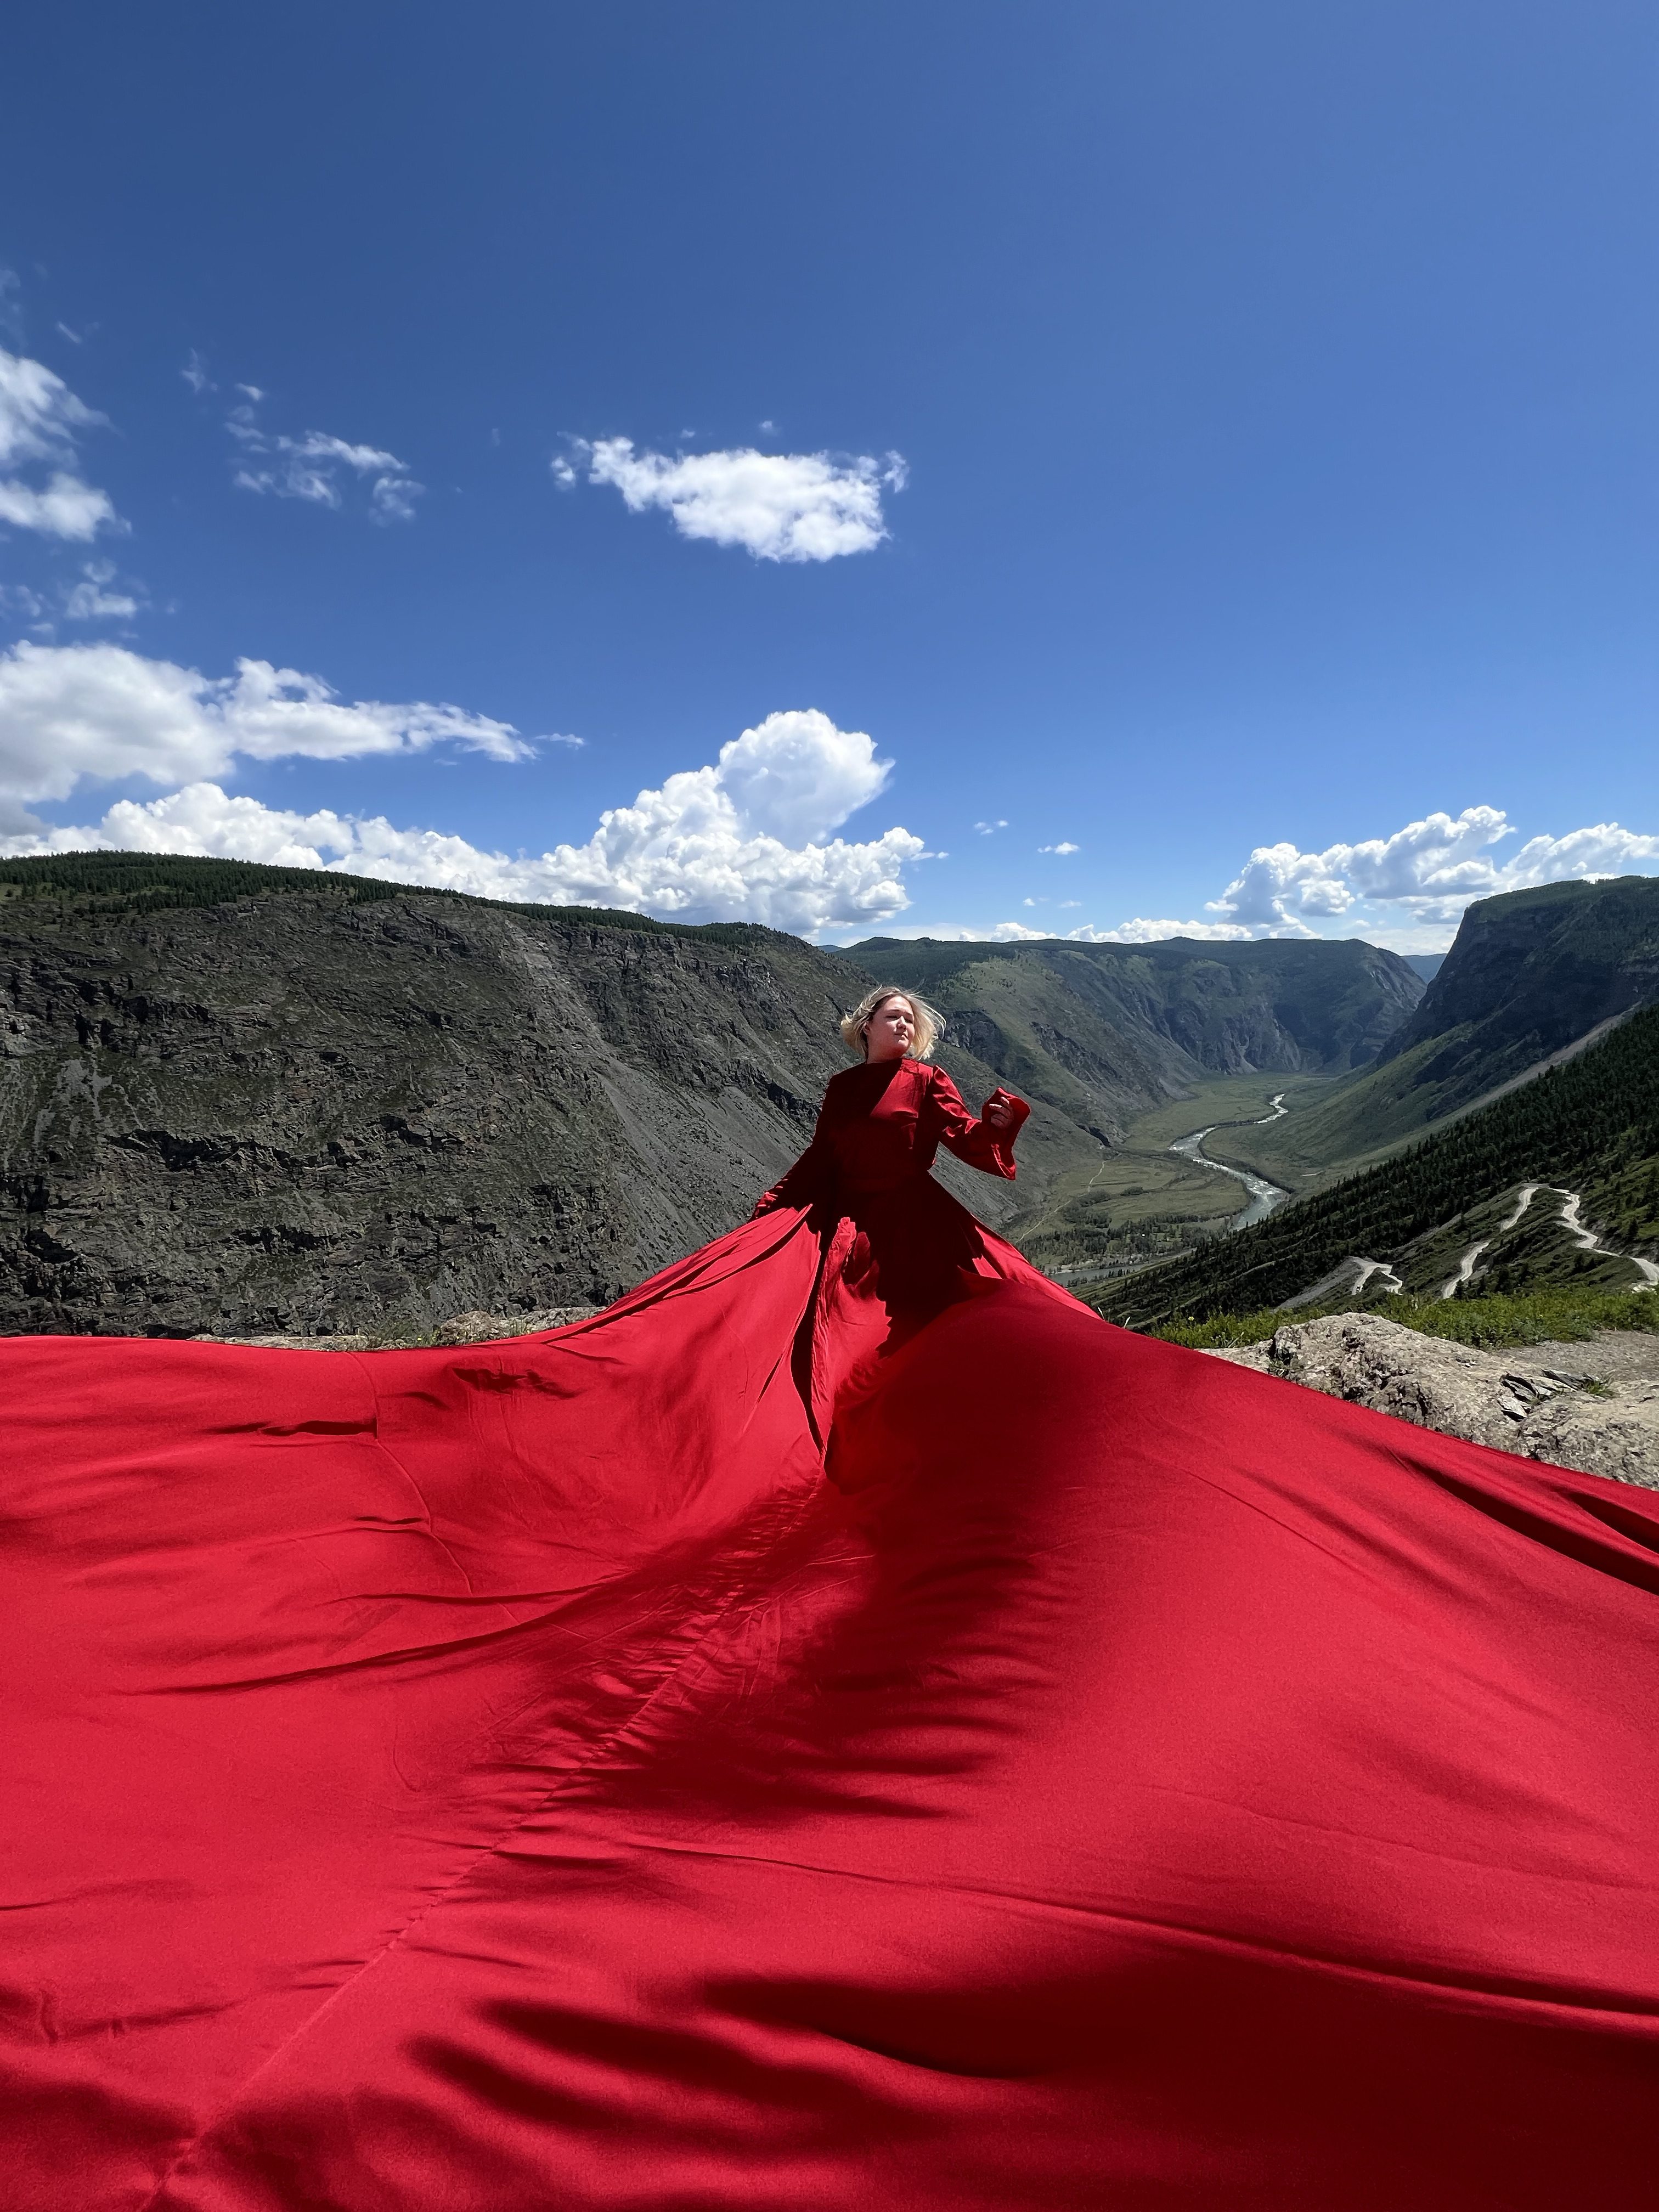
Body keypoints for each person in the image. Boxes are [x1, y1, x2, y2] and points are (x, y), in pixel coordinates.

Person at [3, 989, 1658, 2210]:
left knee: (960, 1395)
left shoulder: (925, 1086)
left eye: (897, 1019)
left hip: (916, 1258)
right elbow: (819, 1159)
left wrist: (988, 1118)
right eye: (875, 1018)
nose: (882, 1033)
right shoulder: (839, 1085)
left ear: (916, 1032)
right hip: (828, 1244)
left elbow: (983, 1168)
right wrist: (768, 1231)